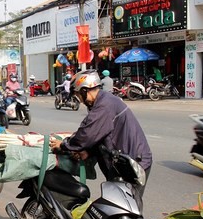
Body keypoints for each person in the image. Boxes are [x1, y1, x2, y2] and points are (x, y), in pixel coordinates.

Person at [49, 71, 152, 200]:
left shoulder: (104, 105)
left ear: (85, 90)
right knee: (117, 203)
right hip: (121, 162)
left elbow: (86, 135)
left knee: (127, 208)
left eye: (78, 95)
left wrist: (64, 144)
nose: (79, 100)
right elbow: (102, 134)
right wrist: (88, 151)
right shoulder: (101, 102)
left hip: (133, 163)